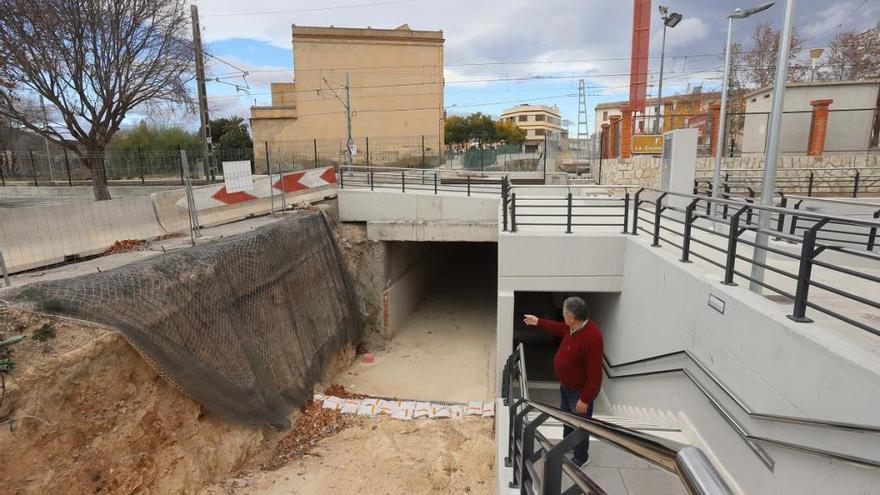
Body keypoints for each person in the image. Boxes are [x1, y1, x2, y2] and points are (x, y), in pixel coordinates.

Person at [523, 296, 603, 467]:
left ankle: (581, 457)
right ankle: (567, 446)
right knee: (567, 420)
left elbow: (595, 375)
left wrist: (585, 399)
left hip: (579, 393)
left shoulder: (592, 337)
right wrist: (538, 322)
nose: (563, 317)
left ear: (572, 318)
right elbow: (559, 328)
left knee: (579, 426)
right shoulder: (572, 328)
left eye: (564, 314)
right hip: (566, 387)